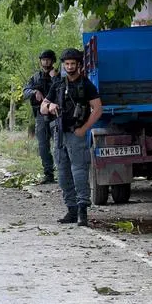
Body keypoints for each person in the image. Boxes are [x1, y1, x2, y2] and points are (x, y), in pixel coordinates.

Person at [41, 48, 102, 227]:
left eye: (72, 64)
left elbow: (98, 108)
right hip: (59, 134)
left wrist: (84, 129)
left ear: (79, 65)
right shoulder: (58, 84)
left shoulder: (86, 84)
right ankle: (71, 209)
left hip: (76, 134)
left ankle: (83, 210)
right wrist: (50, 105)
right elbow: (43, 107)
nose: (69, 67)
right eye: (66, 64)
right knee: (62, 174)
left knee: (79, 172)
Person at [22, 49, 58, 183]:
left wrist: (54, 77)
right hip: (41, 116)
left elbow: (63, 88)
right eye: (43, 59)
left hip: (56, 115)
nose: (46, 62)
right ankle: (48, 174)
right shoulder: (35, 77)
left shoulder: (59, 75)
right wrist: (34, 91)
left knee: (59, 145)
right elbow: (25, 91)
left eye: (48, 59)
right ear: (40, 61)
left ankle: (63, 174)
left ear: (53, 61)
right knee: (43, 146)